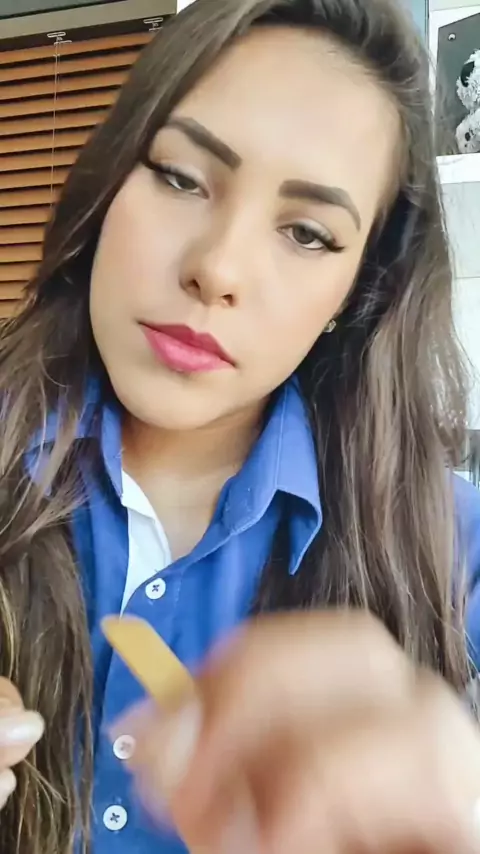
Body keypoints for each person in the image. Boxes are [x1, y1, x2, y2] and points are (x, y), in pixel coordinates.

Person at [0, 0, 480, 851]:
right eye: (181, 179)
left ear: (356, 294)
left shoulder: (455, 548)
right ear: (109, 186)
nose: (217, 268)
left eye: (308, 233)